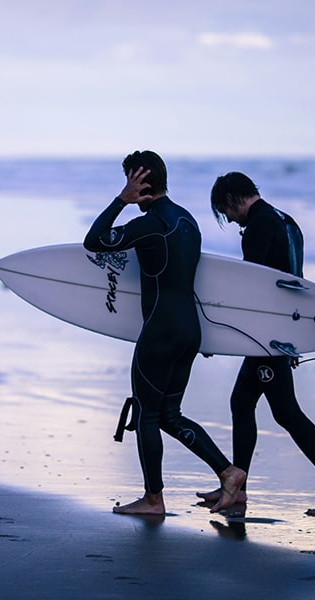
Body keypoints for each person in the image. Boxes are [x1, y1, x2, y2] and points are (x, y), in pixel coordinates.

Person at [84, 151, 246, 516]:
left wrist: (120, 201)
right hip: (190, 330)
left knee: (147, 415)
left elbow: (94, 241)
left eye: (129, 180)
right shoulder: (187, 221)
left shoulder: (152, 223)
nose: (126, 187)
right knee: (170, 414)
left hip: (160, 331)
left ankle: (153, 499)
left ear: (138, 182)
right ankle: (228, 471)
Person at [196, 171, 315, 516]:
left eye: (225, 211)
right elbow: (294, 280)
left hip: (266, 336)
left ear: (232, 199)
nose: (228, 219)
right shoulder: (286, 221)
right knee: (242, 402)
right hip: (281, 331)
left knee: (285, 411)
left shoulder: (258, 227)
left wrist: (216, 336)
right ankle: (237, 487)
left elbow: (250, 291)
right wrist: (294, 337)